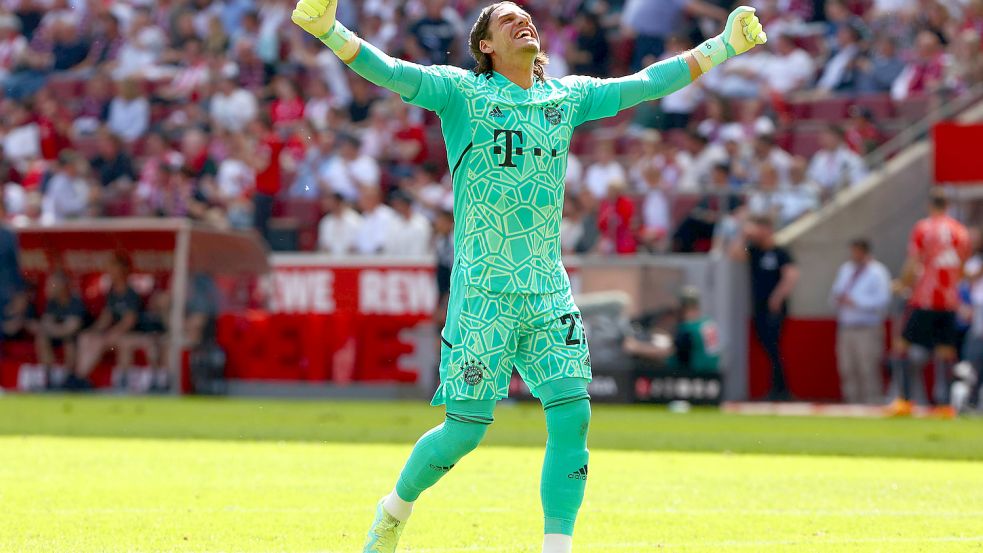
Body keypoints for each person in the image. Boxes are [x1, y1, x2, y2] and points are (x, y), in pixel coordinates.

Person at [291, 0, 767, 550]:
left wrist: (723, 45)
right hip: (483, 293)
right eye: (507, 20)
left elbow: (646, 83)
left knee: (573, 418)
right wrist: (330, 30)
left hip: (547, 288)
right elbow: (391, 71)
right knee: (464, 433)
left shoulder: (566, 98)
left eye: (527, 17)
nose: (524, 23)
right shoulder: (461, 93)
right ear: (486, 46)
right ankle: (393, 511)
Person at [890, 192, 971, 414]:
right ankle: (945, 405)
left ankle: (905, 401)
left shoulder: (924, 228)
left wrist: (902, 283)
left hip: (925, 298)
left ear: (929, 205)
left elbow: (914, 260)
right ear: (948, 206)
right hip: (949, 300)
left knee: (902, 346)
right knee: (946, 351)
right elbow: (962, 268)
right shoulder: (961, 232)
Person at [729, 215, 799, 401]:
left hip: (774, 308)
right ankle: (778, 388)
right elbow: (735, 253)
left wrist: (777, 296)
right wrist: (743, 236)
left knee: (773, 346)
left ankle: (780, 389)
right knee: (767, 346)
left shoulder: (780, 252)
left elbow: (791, 275)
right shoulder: (754, 251)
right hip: (758, 306)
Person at [829, 239, 891, 404]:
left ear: (864, 251)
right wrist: (839, 299)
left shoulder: (877, 272)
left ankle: (871, 403)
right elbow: (836, 292)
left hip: (867, 327)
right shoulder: (846, 269)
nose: (853, 255)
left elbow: (883, 300)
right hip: (847, 326)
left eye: (856, 251)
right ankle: (851, 402)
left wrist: (857, 301)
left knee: (868, 368)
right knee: (847, 367)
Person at [69, 253, 142, 389]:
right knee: (86, 338)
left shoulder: (130, 293)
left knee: (98, 342)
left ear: (122, 270)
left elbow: (129, 322)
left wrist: (108, 334)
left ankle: (79, 378)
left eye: (113, 267)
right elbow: (106, 318)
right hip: (113, 334)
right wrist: (93, 330)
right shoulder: (112, 292)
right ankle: (77, 376)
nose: (109, 271)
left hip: (130, 335)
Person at [623, 286, 722, 374]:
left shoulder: (688, 329)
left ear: (683, 307)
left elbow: (667, 352)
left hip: (693, 376)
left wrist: (637, 348)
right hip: (712, 375)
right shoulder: (708, 323)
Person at [34, 271, 87, 387]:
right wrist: (55, 330)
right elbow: (45, 323)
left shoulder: (75, 302)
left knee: (69, 341)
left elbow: (72, 328)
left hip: (78, 340)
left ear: (61, 286)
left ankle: (69, 379)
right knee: (42, 338)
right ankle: (48, 378)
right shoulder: (52, 302)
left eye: (51, 285)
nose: (47, 288)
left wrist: (53, 330)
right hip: (59, 336)